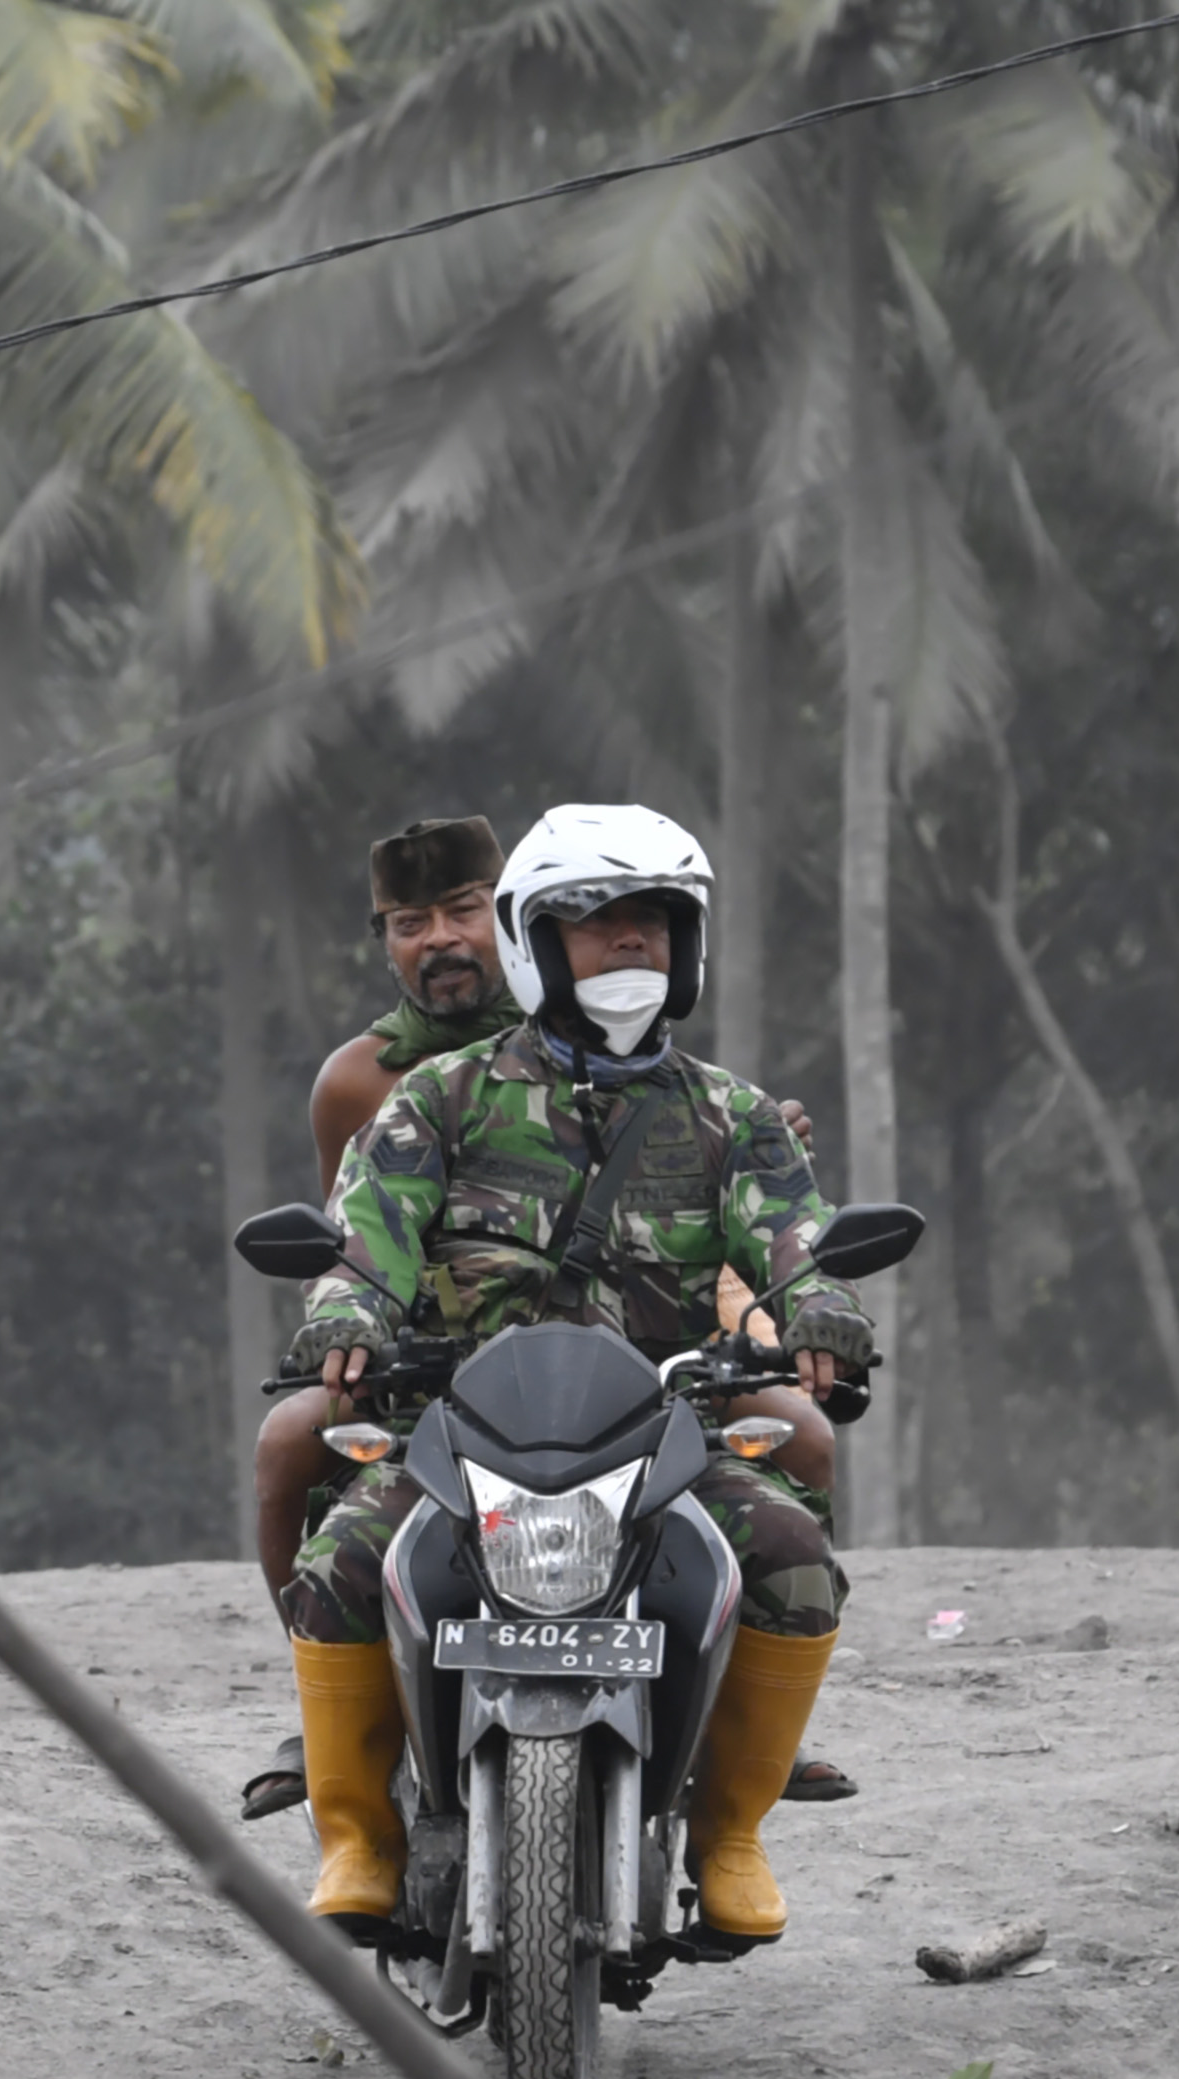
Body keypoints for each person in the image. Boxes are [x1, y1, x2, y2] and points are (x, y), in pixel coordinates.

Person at [279, 802, 876, 1950]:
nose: (630, 943)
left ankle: (731, 1835)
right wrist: (346, 1315)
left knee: (797, 1560)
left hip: (661, 1431)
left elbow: (797, 1239)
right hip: (459, 1424)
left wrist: (825, 1312)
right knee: (341, 1561)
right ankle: (356, 1829)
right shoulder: (435, 1100)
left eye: (652, 921)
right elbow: (368, 1239)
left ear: (688, 943)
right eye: (596, 923)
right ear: (534, 944)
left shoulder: (732, 1114)